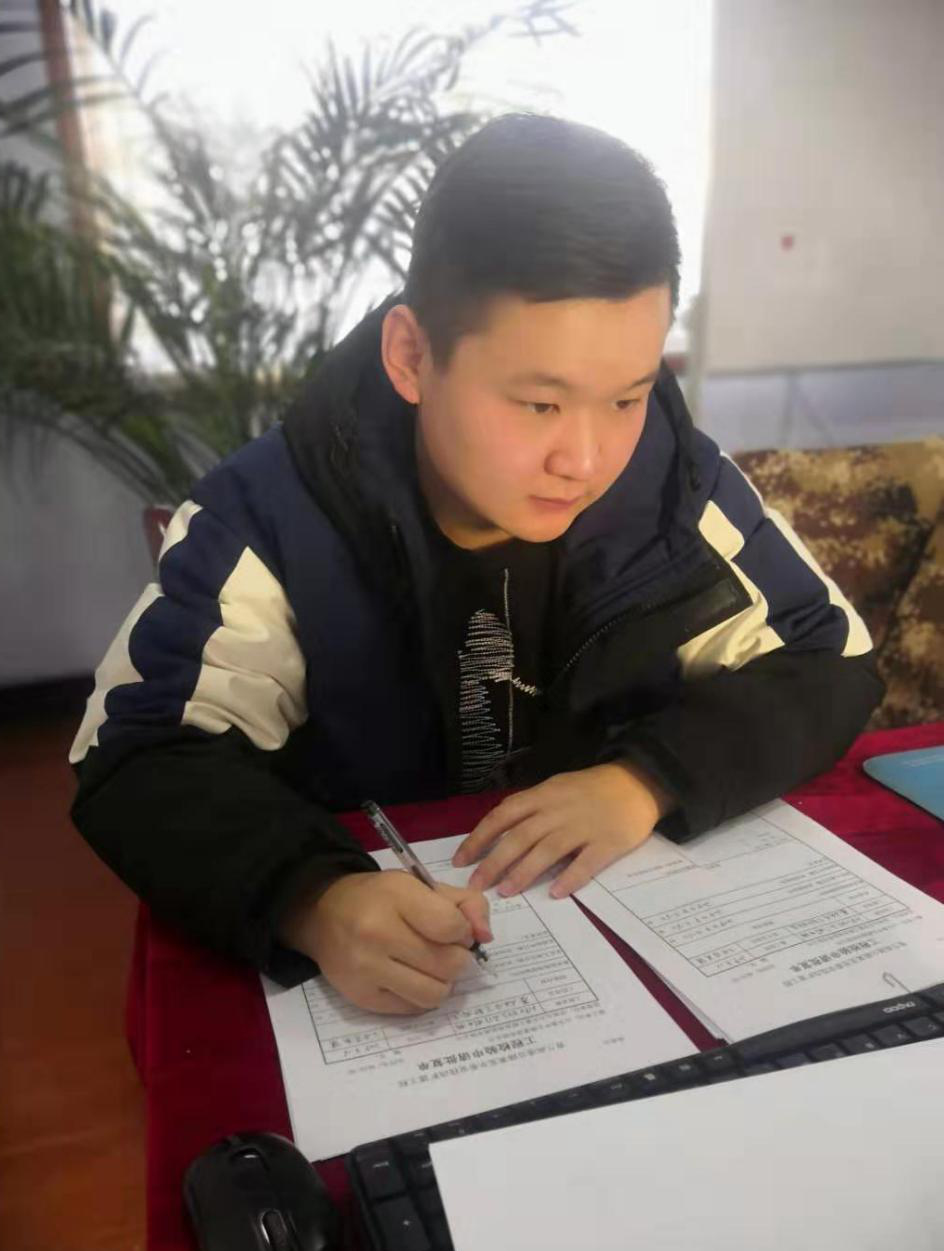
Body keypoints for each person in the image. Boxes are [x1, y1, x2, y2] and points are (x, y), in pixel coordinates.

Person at [69, 113, 883, 1015]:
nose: (586, 459)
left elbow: (829, 659)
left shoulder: (674, 490)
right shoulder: (274, 518)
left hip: (614, 940)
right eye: (539, 404)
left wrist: (646, 779)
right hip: (387, 958)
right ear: (413, 356)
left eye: (626, 397)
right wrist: (312, 899)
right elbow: (137, 757)